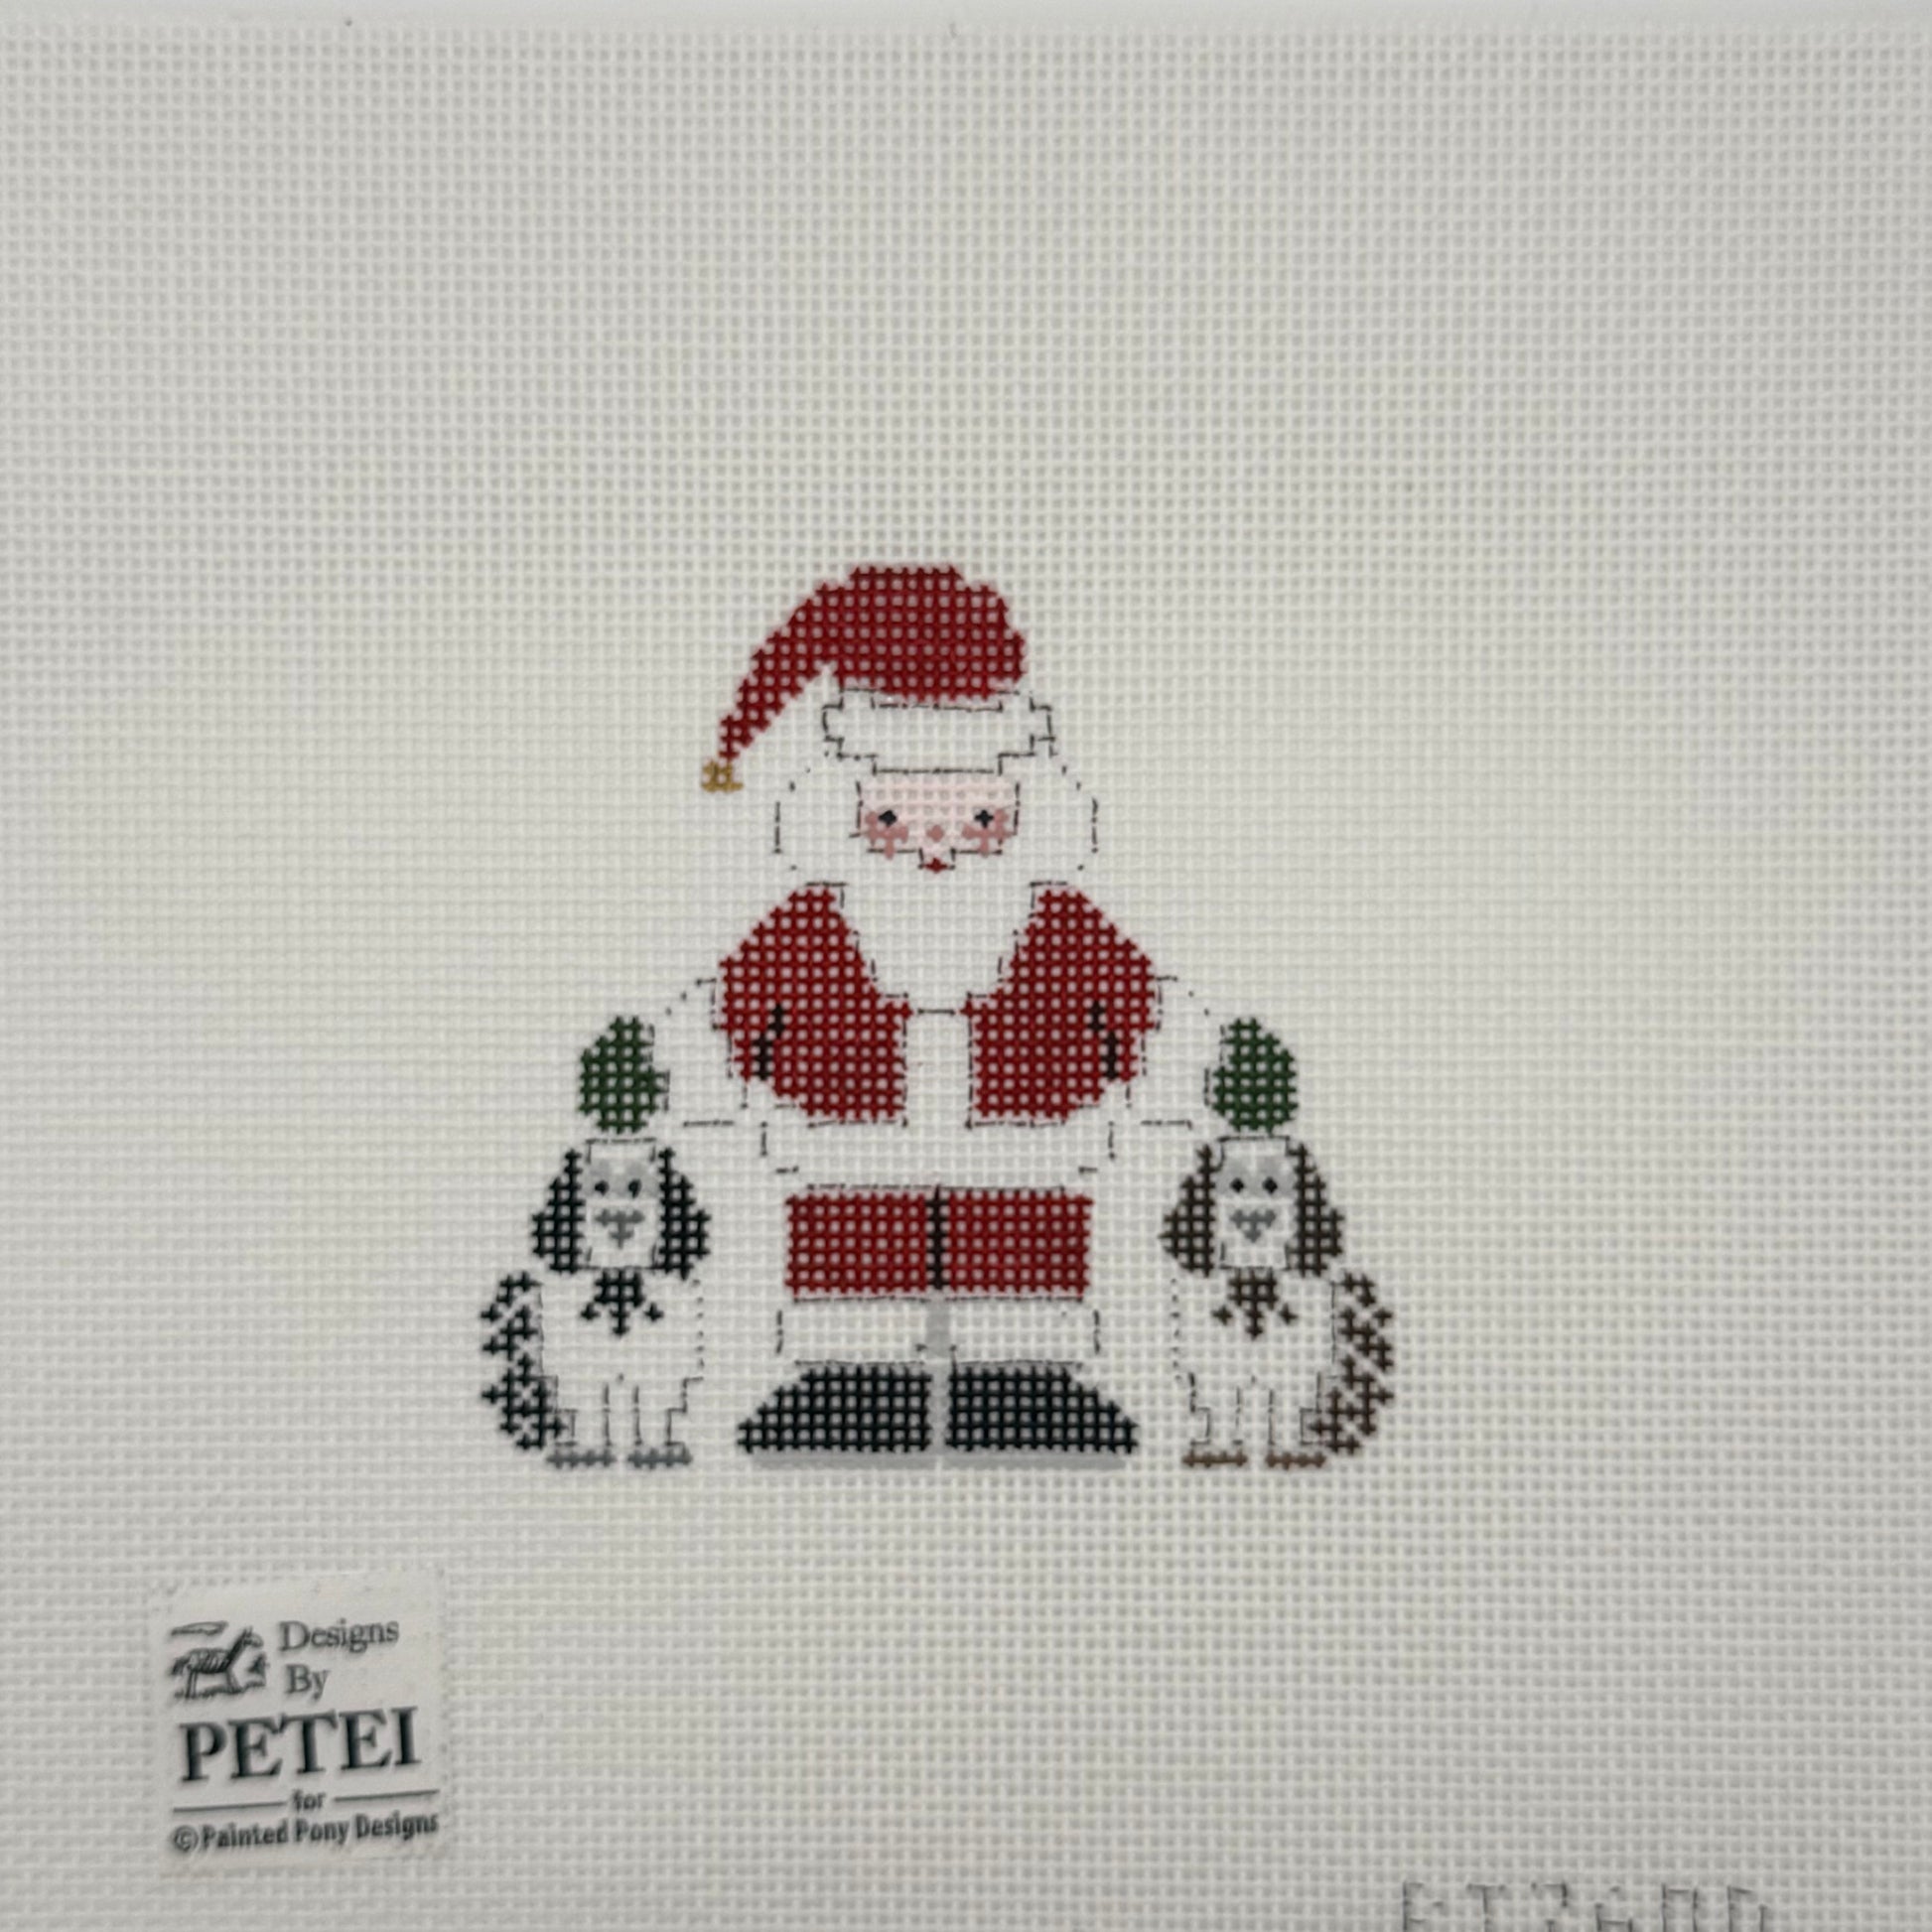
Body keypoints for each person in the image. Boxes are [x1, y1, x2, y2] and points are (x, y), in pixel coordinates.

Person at [639, 565, 1220, 1457]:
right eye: (895, 821)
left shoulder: (1059, 928)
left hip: (1026, 1160)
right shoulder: (812, 929)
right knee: (854, 1259)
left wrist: (1203, 1073)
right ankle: (848, 1384)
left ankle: (1026, 1383)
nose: (936, 849)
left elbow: (1150, 1017)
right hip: (850, 1158)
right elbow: (724, 1017)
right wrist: (671, 1073)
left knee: (1020, 1261)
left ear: (1027, 810)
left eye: (978, 820)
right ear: (846, 812)